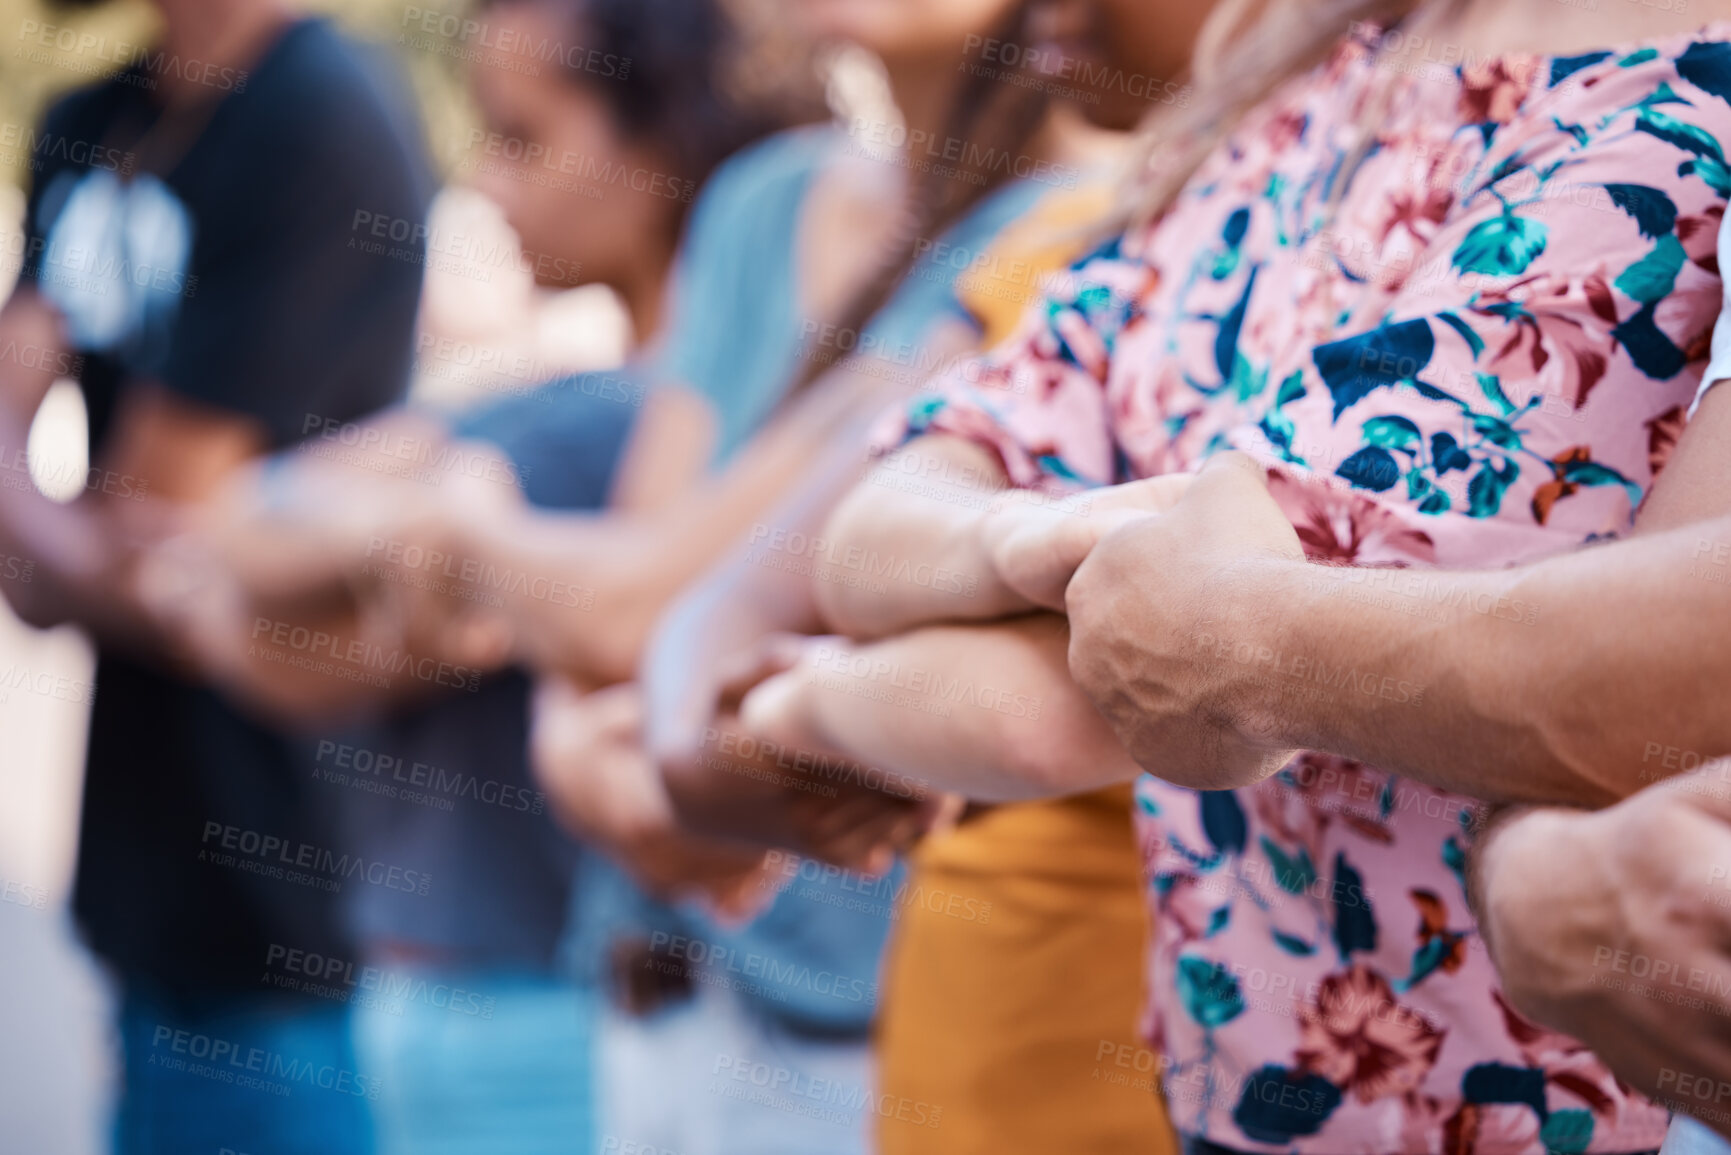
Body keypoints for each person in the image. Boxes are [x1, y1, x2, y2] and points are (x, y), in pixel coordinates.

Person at [731, 0, 1731, 1151]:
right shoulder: (1304, 87)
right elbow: (880, 529)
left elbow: (1072, 705)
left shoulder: (1663, 134)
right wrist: (1016, 544)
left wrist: (799, 701)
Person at [638, 1, 1215, 1150]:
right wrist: (699, 746)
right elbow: (746, 591)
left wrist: (789, 706)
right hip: (949, 1087)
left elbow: (1029, 720)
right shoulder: (1062, 259)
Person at [0, 0, 432, 1151]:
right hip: (139, 891)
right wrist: (73, 536)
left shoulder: (317, 121)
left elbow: (164, 543)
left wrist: (25, 480)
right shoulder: (92, 121)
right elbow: (53, 577)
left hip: (291, 914)